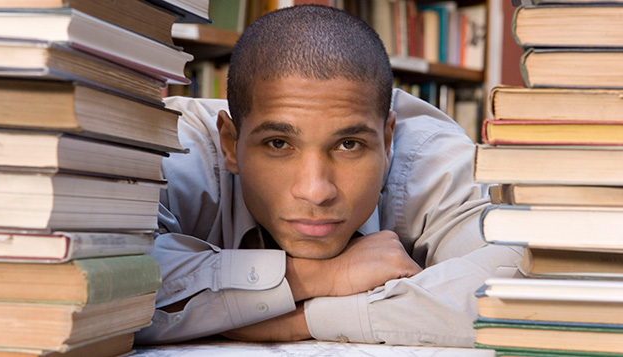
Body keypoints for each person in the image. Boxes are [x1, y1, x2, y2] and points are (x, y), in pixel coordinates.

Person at [135, 5, 520, 346]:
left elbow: (526, 282)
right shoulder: (167, 145)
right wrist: (322, 277)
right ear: (230, 143)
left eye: (349, 145)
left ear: (386, 141)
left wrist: (302, 321)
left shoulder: (426, 152)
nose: (316, 191)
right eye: (278, 144)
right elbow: (102, 278)